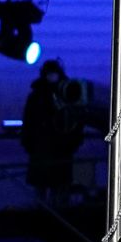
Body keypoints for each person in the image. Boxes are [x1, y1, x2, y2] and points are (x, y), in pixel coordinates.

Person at [20, 59, 86, 202]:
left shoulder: (40, 96)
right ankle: (52, 219)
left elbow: (28, 122)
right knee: (51, 191)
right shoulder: (66, 93)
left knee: (50, 190)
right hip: (51, 148)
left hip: (52, 149)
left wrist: (29, 144)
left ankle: (46, 219)